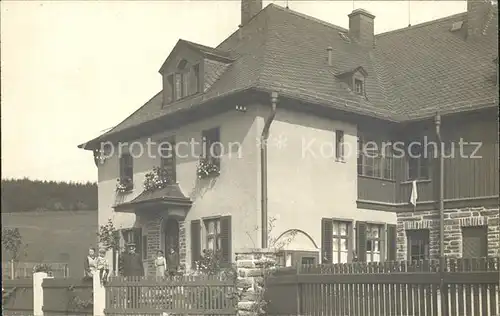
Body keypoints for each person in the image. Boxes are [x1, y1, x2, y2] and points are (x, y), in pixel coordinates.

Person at [121, 243, 144, 308]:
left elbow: (141, 266)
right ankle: (130, 301)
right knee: (130, 288)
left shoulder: (138, 256)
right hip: (129, 275)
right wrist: (124, 275)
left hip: (137, 275)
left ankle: (137, 301)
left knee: (137, 288)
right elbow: (123, 266)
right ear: (128, 249)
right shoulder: (125, 256)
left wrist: (142, 275)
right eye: (130, 249)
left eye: (132, 248)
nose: (131, 250)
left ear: (135, 249)